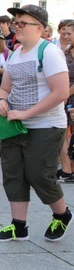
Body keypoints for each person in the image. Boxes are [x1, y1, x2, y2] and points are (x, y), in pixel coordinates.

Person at [0, 4, 72, 242]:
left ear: (41, 28)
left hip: (45, 125)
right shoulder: (15, 53)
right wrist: (1, 102)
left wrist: (27, 114)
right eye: (16, 22)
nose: (16, 27)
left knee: (39, 174)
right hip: (14, 124)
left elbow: (60, 93)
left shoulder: (48, 52)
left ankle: (62, 214)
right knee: (13, 174)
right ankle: (19, 226)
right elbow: (5, 87)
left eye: (22, 23)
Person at [57, 20, 74, 183]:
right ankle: (67, 168)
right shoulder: (67, 49)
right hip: (65, 94)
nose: (65, 36)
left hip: (69, 95)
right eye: (64, 33)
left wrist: (64, 95)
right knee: (63, 132)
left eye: (69, 33)